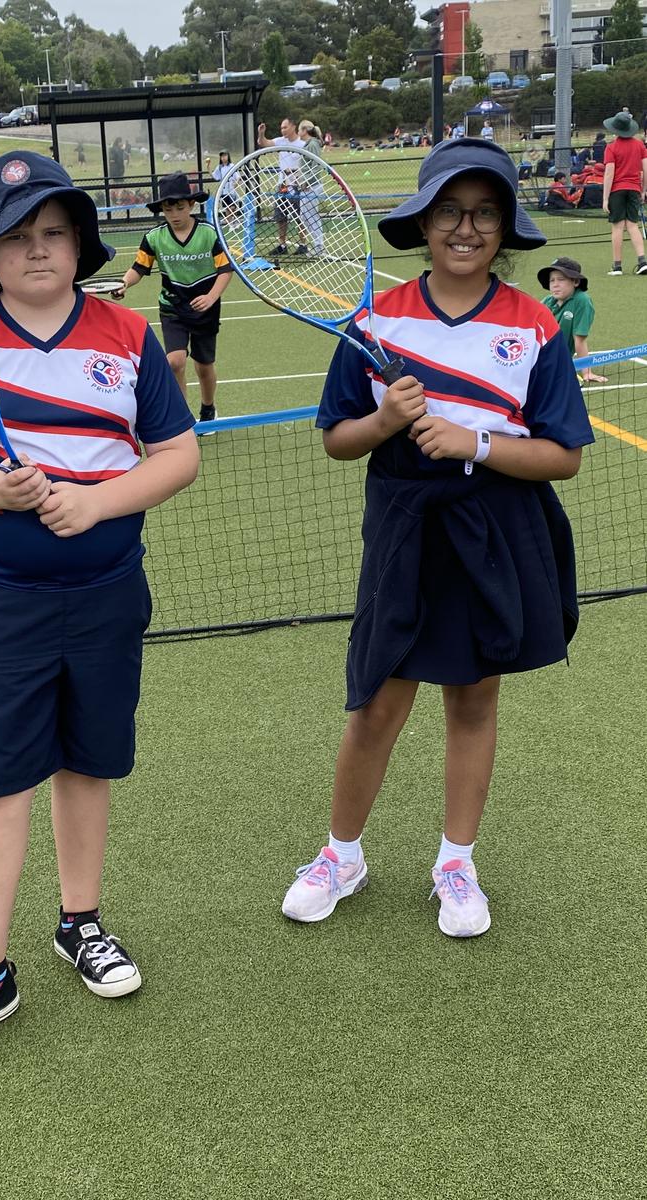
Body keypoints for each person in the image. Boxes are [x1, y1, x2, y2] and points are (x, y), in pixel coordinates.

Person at [0, 150, 199, 1071]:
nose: (37, 249)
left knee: (87, 764)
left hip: (107, 597)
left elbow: (177, 455)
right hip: (3, 605)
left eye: (54, 232)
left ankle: (80, 923)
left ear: (79, 244)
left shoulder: (126, 335)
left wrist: (97, 505)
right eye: (16, 235)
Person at [280, 137, 593, 939]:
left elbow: (562, 455)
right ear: (423, 222)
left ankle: (456, 863)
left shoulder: (535, 325)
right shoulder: (374, 320)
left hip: (498, 527)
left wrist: (474, 443)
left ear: (505, 228)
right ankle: (341, 855)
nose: (466, 228)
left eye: (485, 213)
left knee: (474, 698)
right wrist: (386, 419)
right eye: (450, 210)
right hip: (403, 527)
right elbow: (336, 440)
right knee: (378, 699)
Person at [117, 171, 233, 425]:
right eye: (168, 209)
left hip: (205, 309)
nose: (175, 214)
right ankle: (183, 415)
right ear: (162, 210)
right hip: (172, 307)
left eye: (180, 207)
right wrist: (124, 283)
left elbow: (226, 270)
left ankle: (208, 409)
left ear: (191, 204)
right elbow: (139, 268)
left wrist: (211, 297)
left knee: (204, 366)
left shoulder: (209, 233)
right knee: (175, 362)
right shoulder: (154, 237)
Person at [538, 256, 607, 383]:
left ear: (575, 282)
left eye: (561, 279)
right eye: (552, 280)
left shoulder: (582, 300)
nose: (555, 284)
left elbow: (579, 339)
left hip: (553, 360)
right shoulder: (547, 301)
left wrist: (587, 372)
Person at [601, 111, 647, 276]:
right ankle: (642, 262)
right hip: (634, 188)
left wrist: (605, 198)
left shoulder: (611, 147)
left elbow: (609, 173)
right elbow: (645, 169)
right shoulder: (640, 145)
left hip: (617, 190)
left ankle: (617, 266)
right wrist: (643, 190)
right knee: (633, 225)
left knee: (618, 227)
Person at [256, 116, 306, 253]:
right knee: (280, 217)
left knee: (299, 216)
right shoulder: (281, 141)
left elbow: (307, 165)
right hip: (282, 185)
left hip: (297, 185)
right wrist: (261, 133)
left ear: (293, 127)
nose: (283, 130)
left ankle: (303, 244)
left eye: (285, 127)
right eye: (281, 128)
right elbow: (263, 143)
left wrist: (299, 177)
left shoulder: (302, 144)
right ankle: (282, 245)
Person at [297, 120, 325, 255]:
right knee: (305, 217)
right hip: (306, 187)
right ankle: (317, 245)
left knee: (312, 217)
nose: (298, 132)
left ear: (305, 130)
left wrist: (307, 181)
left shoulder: (313, 144)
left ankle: (319, 246)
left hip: (312, 187)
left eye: (299, 129)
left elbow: (316, 165)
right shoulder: (307, 144)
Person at [211, 150, 240, 217]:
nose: (223, 158)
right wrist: (208, 167)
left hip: (231, 190)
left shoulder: (232, 166)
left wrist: (236, 183)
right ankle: (229, 222)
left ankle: (234, 219)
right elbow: (215, 176)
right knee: (227, 208)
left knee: (232, 207)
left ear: (228, 156)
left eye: (225, 156)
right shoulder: (220, 167)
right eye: (222, 156)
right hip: (224, 191)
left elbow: (238, 176)